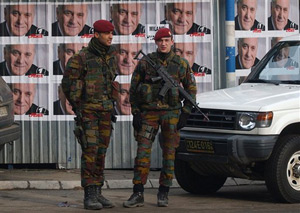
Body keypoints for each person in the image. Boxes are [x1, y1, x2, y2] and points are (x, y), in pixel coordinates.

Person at [123, 28, 197, 208]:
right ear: (156, 42)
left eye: (166, 40)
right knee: (143, 152)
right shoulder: (146, 62)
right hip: (148, 114)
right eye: (160, 40)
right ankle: (138, 192)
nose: (163, 43)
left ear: (172, 41)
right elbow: (134, 88)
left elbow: (191, 89)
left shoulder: (181, 64)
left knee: (170, 153)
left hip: (171, 114)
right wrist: (136, 112)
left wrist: (186, 112)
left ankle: (164, 191)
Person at [61, 20, 117, 210]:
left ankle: (98, 191)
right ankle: (89, 194)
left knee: (101, 152)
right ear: (96, 35)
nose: (110, 37)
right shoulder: (81, 58)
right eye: (106, 33)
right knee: (90, 151)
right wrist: (80, 107)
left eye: (112, 33)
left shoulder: (110, 57)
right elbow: (67, 85)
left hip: (106, 112)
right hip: (88, 113)